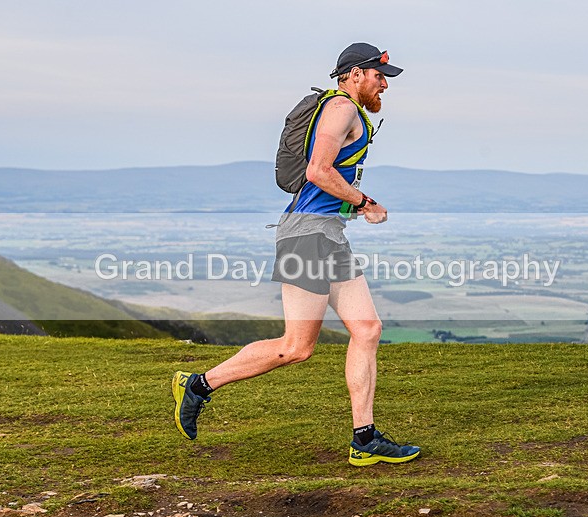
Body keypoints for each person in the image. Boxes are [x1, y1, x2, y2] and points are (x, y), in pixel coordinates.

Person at [172, 42, 420, 466]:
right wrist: (363, 202)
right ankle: (198, 385)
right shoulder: (341, 108)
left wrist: (352, 206)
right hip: (307, 236)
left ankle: (364, 439)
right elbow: (318, 171)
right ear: (354, 74)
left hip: (328, 235)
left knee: (367, 329)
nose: (384, 84)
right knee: (296, 347)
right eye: (380, 76)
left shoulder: (350, 111)